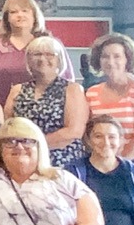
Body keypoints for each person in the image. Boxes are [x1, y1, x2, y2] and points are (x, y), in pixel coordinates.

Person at [67, 115, 134, 225]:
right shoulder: (72, 174)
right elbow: (61, 215)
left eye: (111, 137)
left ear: (121, 140)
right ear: (88, 140)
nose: (106, 142)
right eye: (98, 136)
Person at [83, 32, 134, 174]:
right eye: (105, 57)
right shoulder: (91, 93)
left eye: (117, 56)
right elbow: (88, 134)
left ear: (128, 59)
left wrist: (118, 165)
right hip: (101, 164)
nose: (110, 61)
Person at [6, 34, 89, 170]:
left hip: (62, 163)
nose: (42, 58)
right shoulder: (17, 90)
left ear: (59, 60)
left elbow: (74, 131)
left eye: (50, 54)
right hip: (23, 161)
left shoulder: (72, 90)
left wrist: (34, 146)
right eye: (36, 54)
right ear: (28, 60)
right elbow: (8, 127)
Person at [0, 0, 76, 107]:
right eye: (13, 12)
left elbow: (67, 79)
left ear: (34, 16)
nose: (19, 15)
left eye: (25, 11)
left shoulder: (51, 44)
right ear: (7, 18)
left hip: (42, 110)